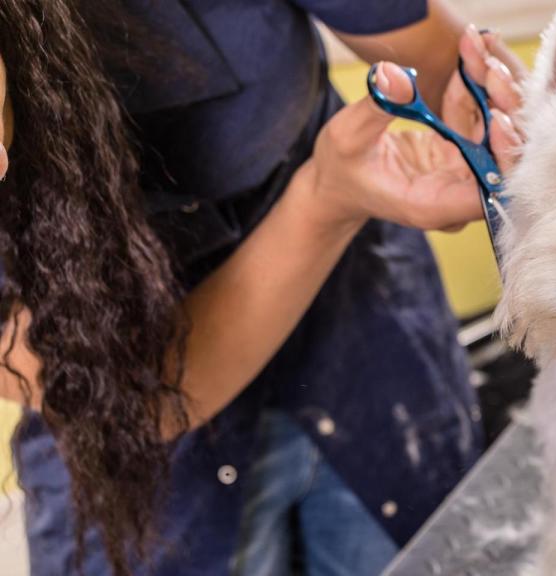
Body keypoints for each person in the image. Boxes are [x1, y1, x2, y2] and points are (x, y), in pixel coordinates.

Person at [0, 0, 524, 574]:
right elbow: (130, 398)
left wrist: (476, 115)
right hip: (129, 427)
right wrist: (327, 199)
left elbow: (449, 68)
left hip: (364, 326)